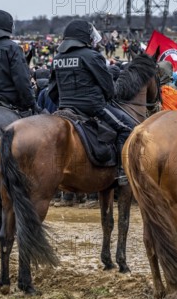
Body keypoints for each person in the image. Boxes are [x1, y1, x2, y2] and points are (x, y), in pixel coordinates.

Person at [50, 19, 136, 185]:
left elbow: (52, 91)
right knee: (128, 128)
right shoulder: (92, 56)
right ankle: (123, 172)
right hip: (93, 107)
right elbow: (109, 88)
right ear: (84, 37)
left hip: (65, 107)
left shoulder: (58, 58)